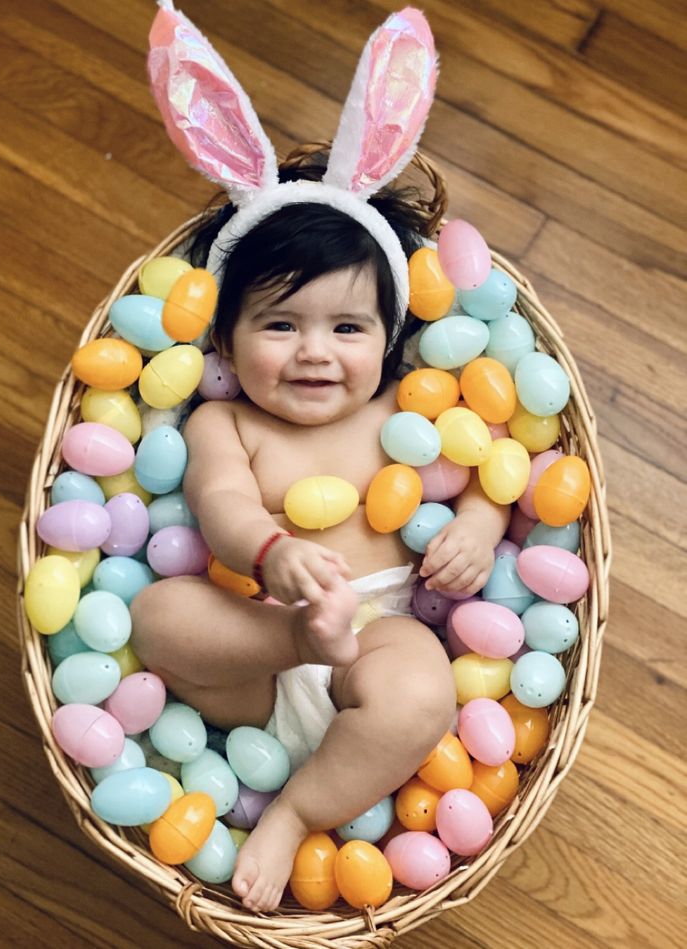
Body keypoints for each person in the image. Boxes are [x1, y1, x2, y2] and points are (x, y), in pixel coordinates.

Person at [133, 0, 509, 914]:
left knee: (420, 686)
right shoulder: (229, 425)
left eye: (346, 326)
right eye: (278, 324)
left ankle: (297, 809)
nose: (313, 351)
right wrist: (269, 556)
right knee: (157, 614)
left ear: (389, 340)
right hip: (261, 638)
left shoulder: (404, 408)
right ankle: (293, 651)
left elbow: (486, 467)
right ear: (223, 337)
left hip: (375, 633)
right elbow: (221, 502)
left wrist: (479, 519)